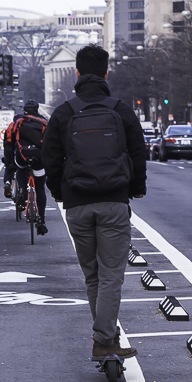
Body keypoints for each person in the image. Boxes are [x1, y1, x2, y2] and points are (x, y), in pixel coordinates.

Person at [41, 44, 147, 361]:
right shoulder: (121, 109)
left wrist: (59, 192)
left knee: (93, 276)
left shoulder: (63, 113)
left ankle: (107, 339)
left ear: (76, 73)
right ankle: (104, 341)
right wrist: (137, 187)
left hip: (77, 204)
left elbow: (50, 158)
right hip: (114, 201)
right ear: (106, 72)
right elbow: (138, 152)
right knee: (111, 274)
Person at [2, 100, 50, 235]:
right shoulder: (44, 122)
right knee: (40, 187)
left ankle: (22, 192)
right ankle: (42, 219)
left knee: (21, 170)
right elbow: (50, 143)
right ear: (37, 109)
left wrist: (9, 162)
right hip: (39, 157)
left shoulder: (18, 122)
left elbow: (10, 145)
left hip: (22, 155)